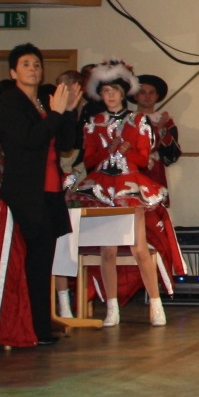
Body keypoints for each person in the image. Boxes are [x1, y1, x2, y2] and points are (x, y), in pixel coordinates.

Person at [71, 61, 181, 327]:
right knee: (107, 250)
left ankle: (156, 304)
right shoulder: (94, 122)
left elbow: (143, 160)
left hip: (129, 186)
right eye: (106, 91)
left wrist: (128, 149)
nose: (110, 95)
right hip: (102, 188)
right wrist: (106, 150)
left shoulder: (138, 120)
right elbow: (89, 160)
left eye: (115, 91)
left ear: (123, 94)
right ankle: (112, 308)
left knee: (139, 248)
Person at [0, 43, 83, 346]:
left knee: (43, 262)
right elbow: (31, 140)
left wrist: (68, 113)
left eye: (36, 64)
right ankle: (29, 327)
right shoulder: (11, 101)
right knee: (29, 262)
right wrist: (56, 114)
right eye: (25, 64)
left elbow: (66, 144)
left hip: (50, 191)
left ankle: (40, 326)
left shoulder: (45, 103)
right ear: (13, 72)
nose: (33, 69)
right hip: (25, 193)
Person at [133, 74, 181, 197]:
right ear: (135, 96)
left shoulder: (166, 121)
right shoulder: (128, 120)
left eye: (151, 92)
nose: (147, 96)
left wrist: (161, 129)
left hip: (155, 173)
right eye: (142, 92)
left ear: (157, 96)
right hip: (132, 172)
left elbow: (172, 155)